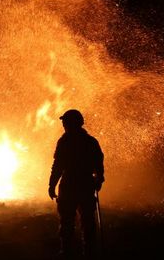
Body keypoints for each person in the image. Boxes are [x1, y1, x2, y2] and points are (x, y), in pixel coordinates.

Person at [48, 109, 104, 259]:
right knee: (87, 223)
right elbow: (99, 164)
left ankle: (67, 253)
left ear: (70, 123)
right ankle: (89, 253)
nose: (63, 124)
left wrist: (52, 185)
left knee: (67, 222)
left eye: (65, 122)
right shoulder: (91, 142)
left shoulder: (64, 142)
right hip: (85, 184)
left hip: (69, 185)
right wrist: (99, 180)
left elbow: (58, 165)